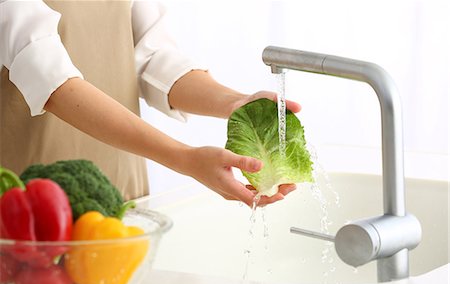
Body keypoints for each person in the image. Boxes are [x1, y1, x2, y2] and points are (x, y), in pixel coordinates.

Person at [0, 0, 300, 207]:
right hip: (29, 207)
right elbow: (51, 81)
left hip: (124, 194)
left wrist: (239, 104)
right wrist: (185, 158)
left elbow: (153, 59)